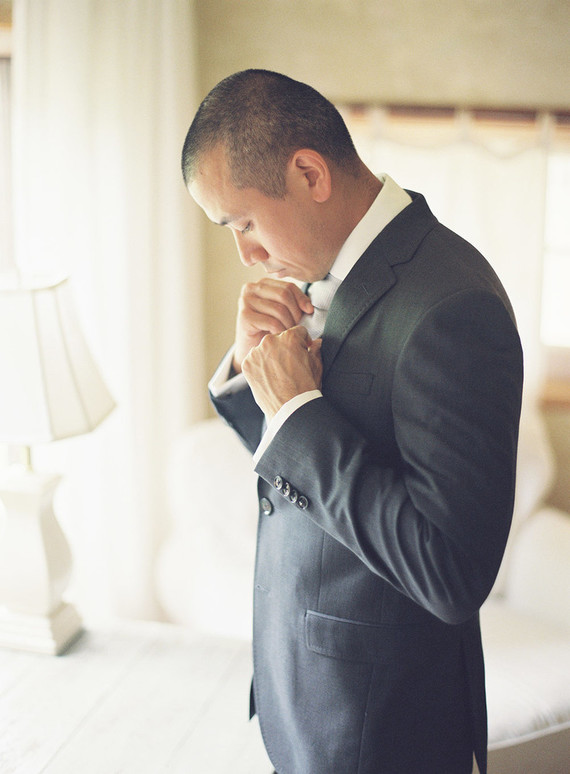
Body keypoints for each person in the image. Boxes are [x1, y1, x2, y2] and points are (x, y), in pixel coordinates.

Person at [181, 69, 523, 774]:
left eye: (242, 223)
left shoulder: (453, 305)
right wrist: (256, 375)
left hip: (381, 727)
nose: (244, 254)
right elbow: (293, 482)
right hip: (303, 694)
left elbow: (451, 572)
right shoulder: (320, 271)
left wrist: (302, 412)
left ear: (308, 172)